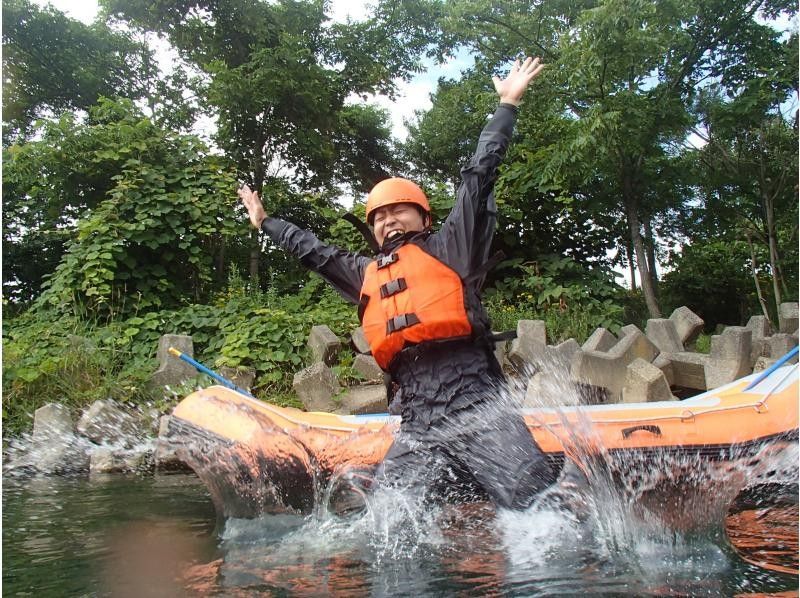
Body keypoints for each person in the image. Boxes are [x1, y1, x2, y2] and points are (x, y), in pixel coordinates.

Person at [239, 56, 556, 510]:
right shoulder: (365, 274)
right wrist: (265, 222)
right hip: (418, 423)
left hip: (480, 407)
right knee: (389, 521)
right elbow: (313, 251)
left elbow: (478, 178)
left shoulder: (452, 246)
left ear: (423, 216)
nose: (388, 221)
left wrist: (506, 105)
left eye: (398, 212)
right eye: (379, 217)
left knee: (539, 508)